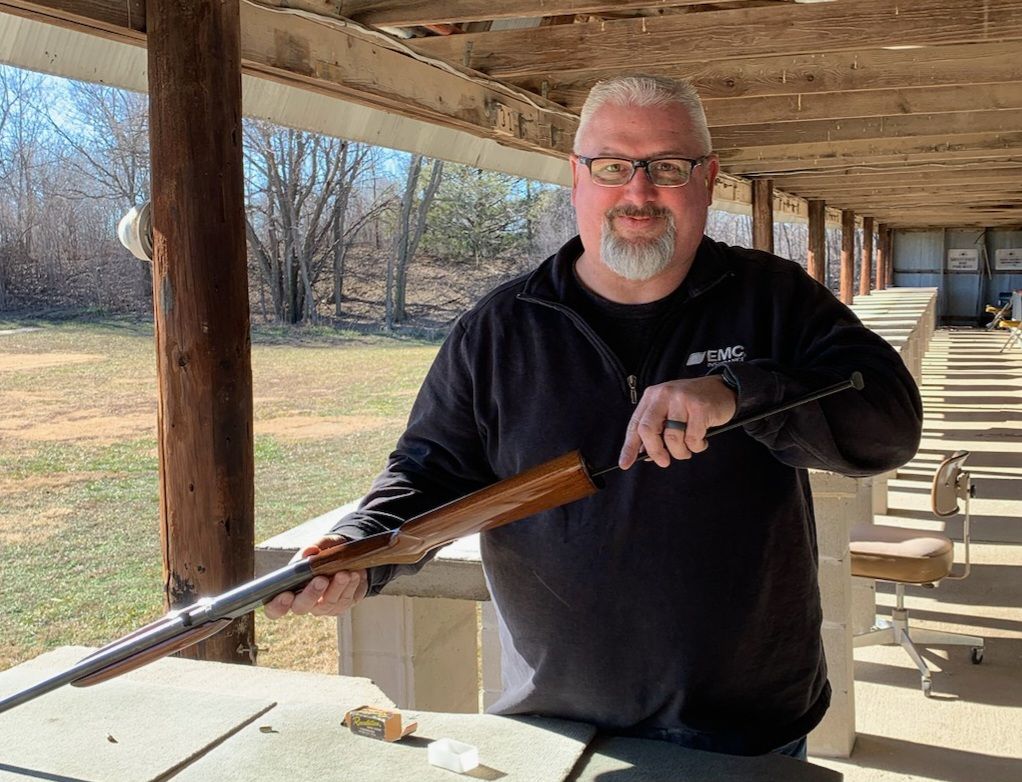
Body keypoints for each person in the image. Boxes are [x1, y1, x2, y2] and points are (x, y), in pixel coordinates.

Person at [265, 75, 922, 759]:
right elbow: (429, 471)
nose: (638, 192)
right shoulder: (499, 331)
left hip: (749, 724)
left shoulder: (774, 299)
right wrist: (361, 549)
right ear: (576, 178)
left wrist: (739, 392)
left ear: (708, 178)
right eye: (612, 167)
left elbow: (889, 423)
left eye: (667, 167)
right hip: (556, 719)